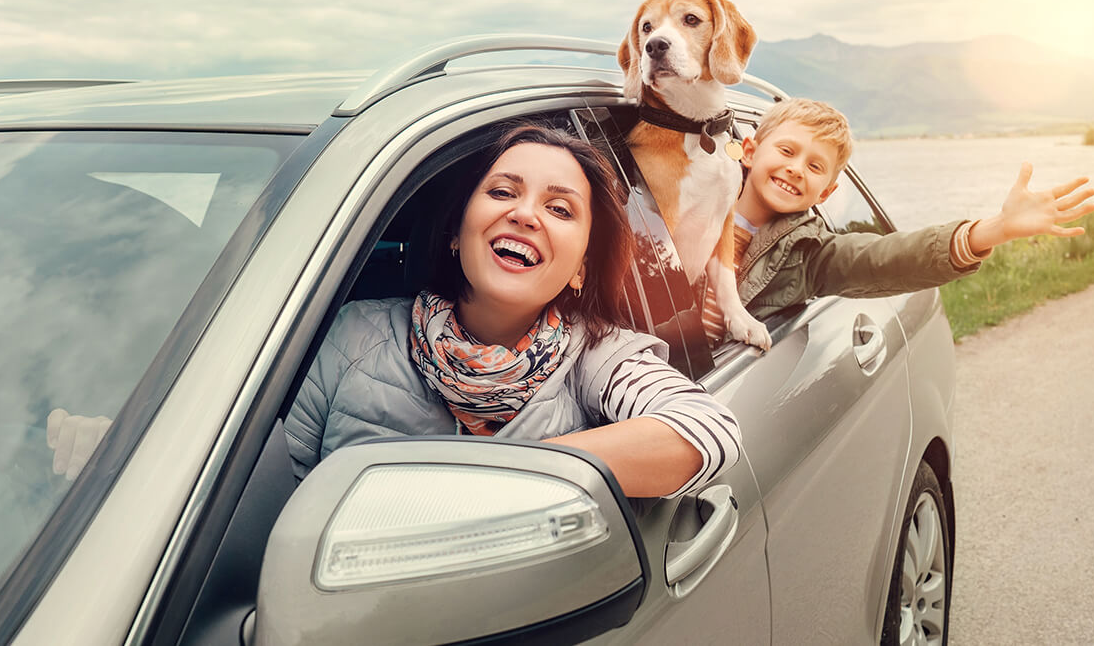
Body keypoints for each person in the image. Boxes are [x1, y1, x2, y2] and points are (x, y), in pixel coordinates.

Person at [49, 125, 742, 499]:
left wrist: (483, 490)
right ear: (455, 230)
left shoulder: (597, 353)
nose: (526, 214)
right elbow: (260, 501)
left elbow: (705, 429)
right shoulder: (353, 334)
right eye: (504, 190)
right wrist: (129, 459)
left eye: (559, 208)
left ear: (582, 267)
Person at [702, 98, 1094, 342]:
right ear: (749, 150)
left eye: (815, 165)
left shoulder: (810, 254)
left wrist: (996, 229)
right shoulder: (686, 204)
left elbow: (888, 256)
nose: (795, 168)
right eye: (786, 151)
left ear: (826, 193)